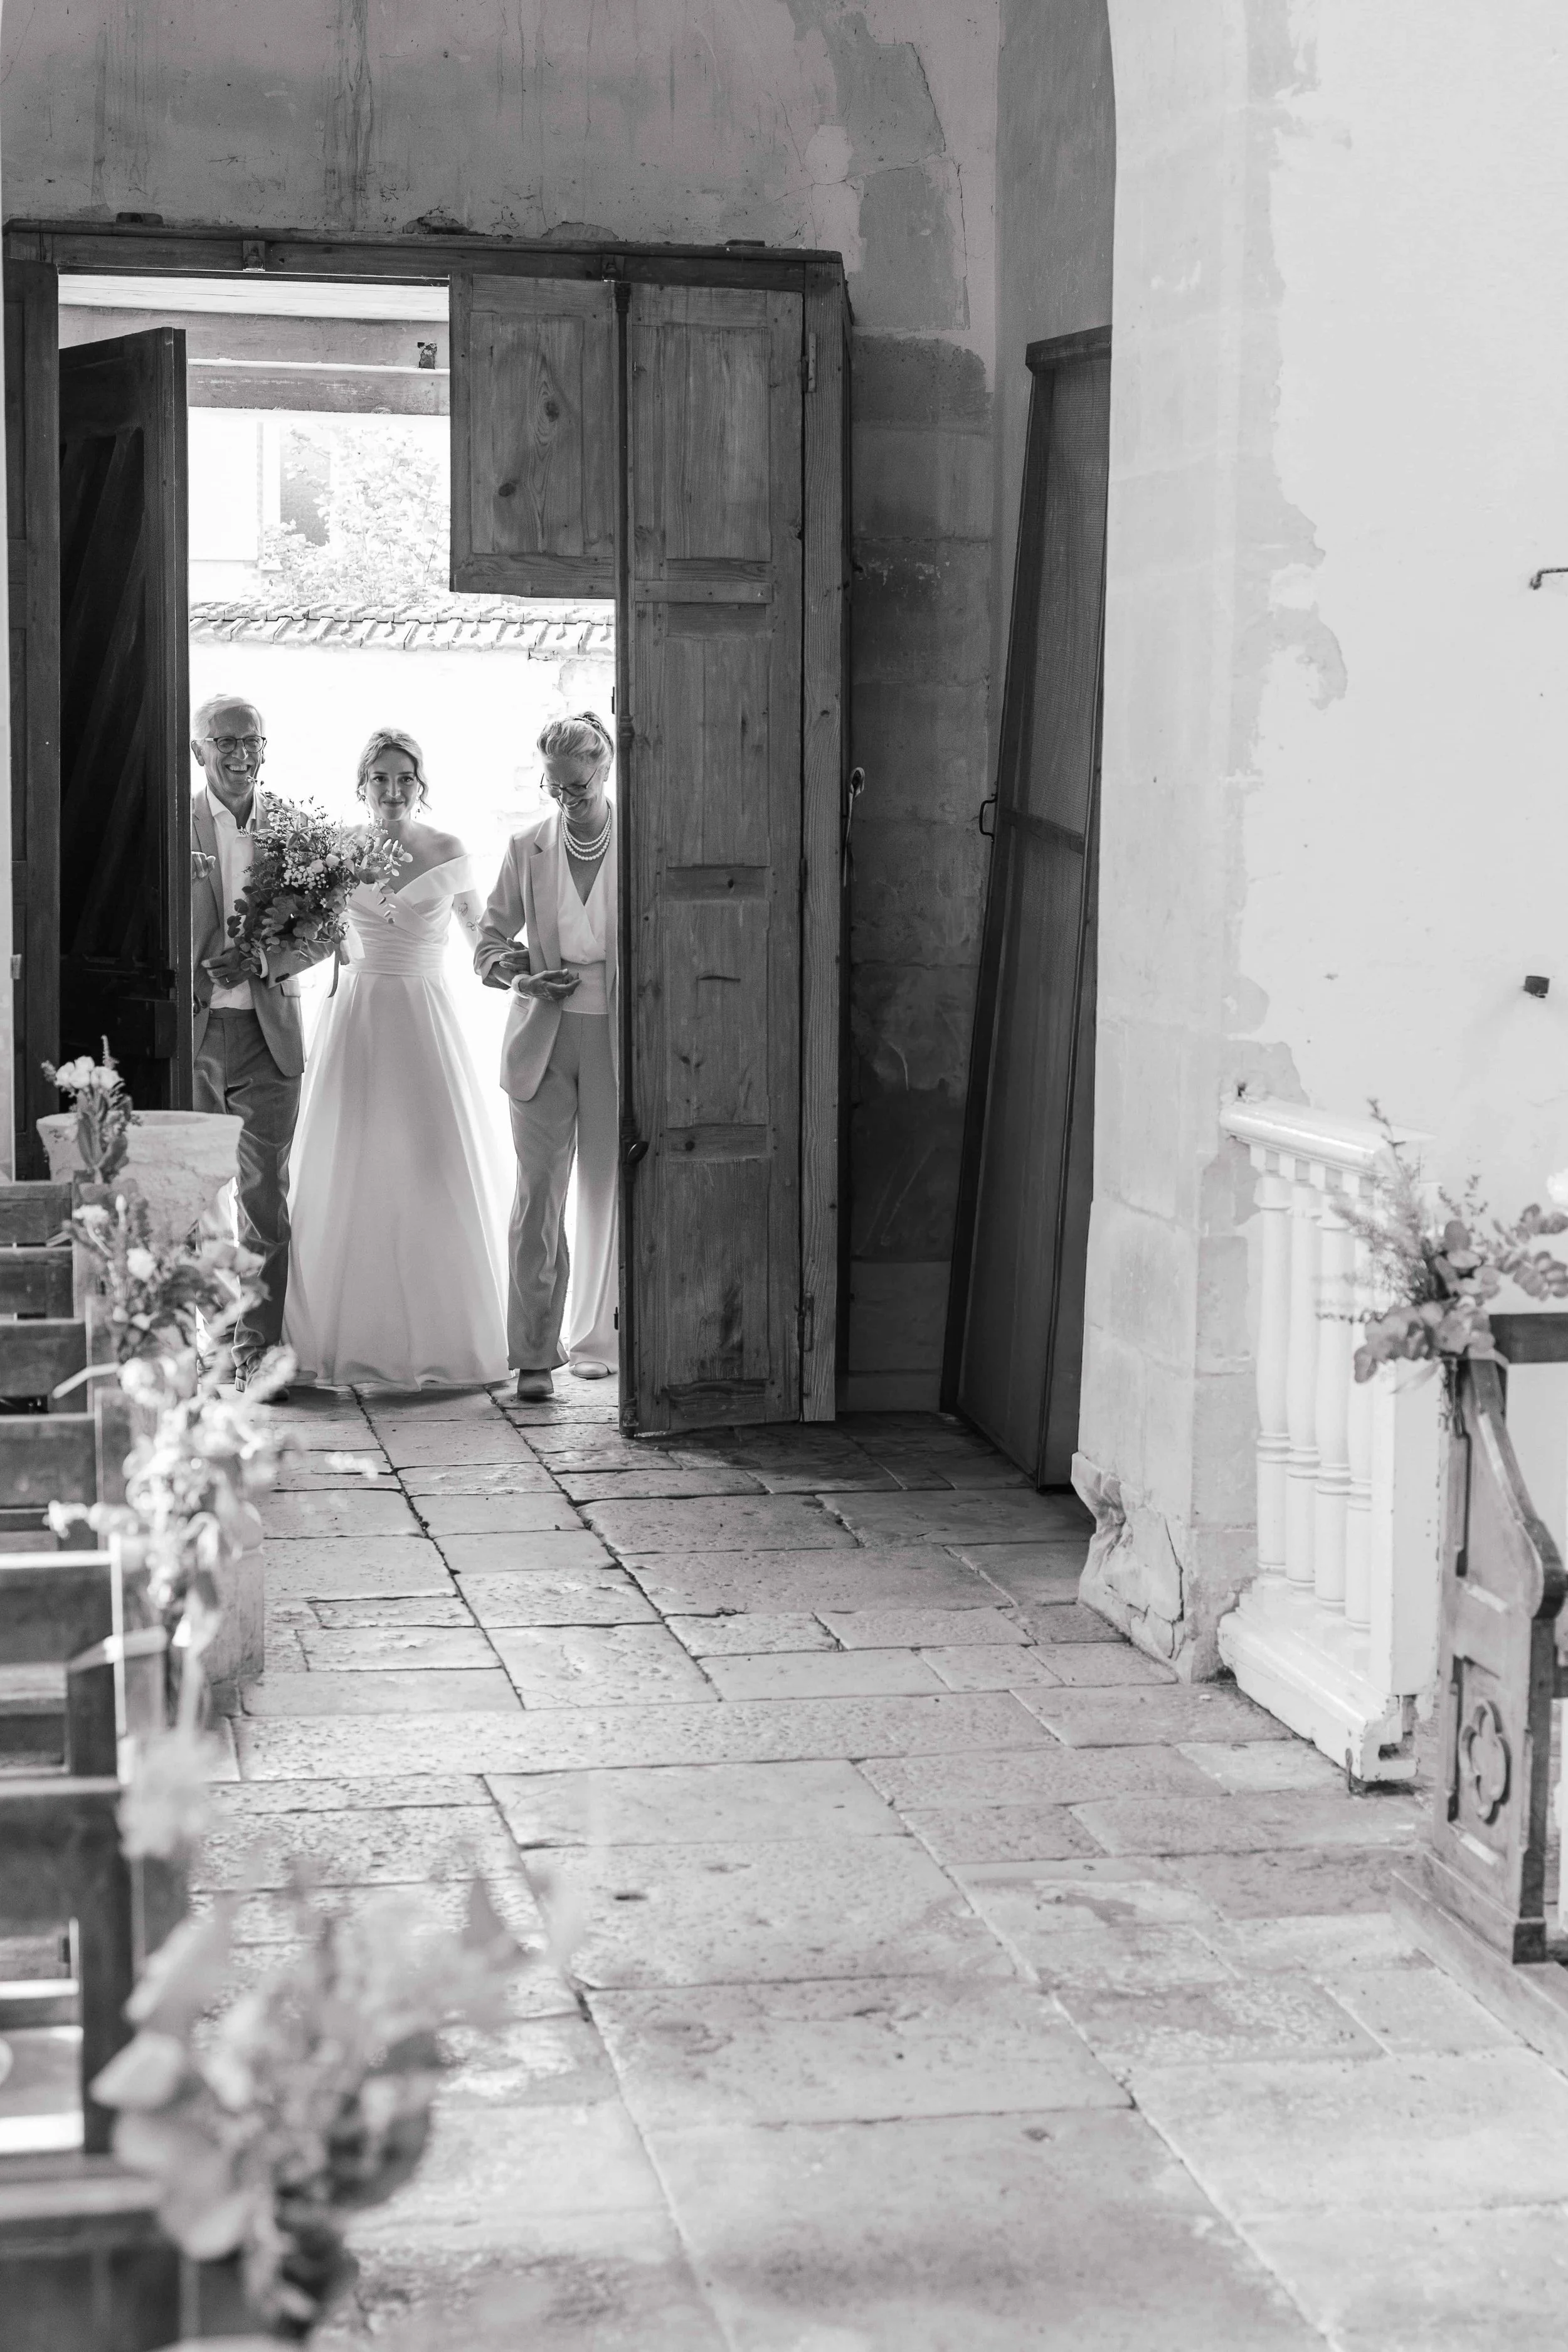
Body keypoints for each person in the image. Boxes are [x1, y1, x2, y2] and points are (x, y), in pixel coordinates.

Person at [284, 729, 509, 1387]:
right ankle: (343, 1336)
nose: (391, 790)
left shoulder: (447, 850)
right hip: (354, 1017)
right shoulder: (335, 852)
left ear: (421, 785)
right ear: (361, 785)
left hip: (422, 1019)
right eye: (379, 778)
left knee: (430, 1162)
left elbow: (480, 942)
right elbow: (315, 940)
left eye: (404, 778)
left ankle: (446, 1336)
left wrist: (520, 975)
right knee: (349, 1162)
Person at [475, 712, 619, 1403]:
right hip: (543, 1038)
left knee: (619, 1191)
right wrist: (519, 976)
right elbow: (487, 942)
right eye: (554, 787)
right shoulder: (527, 846)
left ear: (606, 768)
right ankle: (534, 1352)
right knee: (539, 1194)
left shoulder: (645, 840)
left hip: (624, 1038)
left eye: (578, 787)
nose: (565, 799)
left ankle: (611, 1339)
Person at [191, 692, 332, 1393]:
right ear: (199, 751)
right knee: (190, 1198)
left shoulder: (295, 829)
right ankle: (203, 1347)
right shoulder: (171, 823)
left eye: (251, 740)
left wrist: (267, 962)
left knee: (263, 1199)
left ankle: (256, 1352)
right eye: (225, 741)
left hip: (268, 1035)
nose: (240, 753)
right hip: (190, 1033)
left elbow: (329, 928)